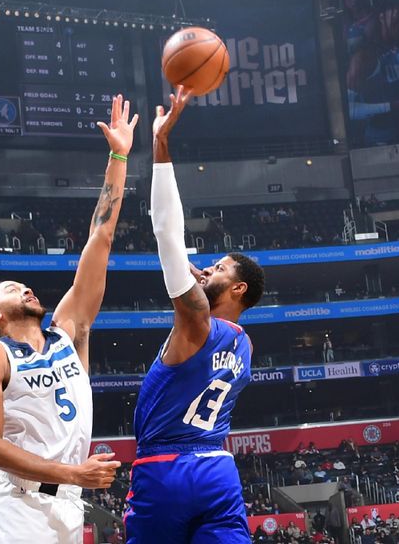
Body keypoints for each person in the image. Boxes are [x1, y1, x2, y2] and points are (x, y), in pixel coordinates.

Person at [0, 95, 138, 543]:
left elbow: (100, 239)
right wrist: (72, 473)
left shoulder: (68, 331)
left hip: (65, 502)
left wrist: (118, 157)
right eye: (8, 289)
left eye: (22, 283)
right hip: (16, 503)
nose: (23, 286)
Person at [123, 86, 266, 543]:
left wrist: (161, 145)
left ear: (238, 287)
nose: (210, 267)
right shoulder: (244, 343)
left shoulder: (197, 320)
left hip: (166, 468)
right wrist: (197, 282)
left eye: (220, 267)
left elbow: (167, 230)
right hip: (217, 470)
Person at [347, 3, 399, 145]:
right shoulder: (365, 58)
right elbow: (349, 110)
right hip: (379, 145)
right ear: (381, 17)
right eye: (398, 18)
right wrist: (395, 106)